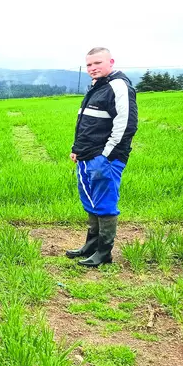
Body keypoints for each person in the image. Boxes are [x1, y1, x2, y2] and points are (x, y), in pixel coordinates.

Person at [67, 47, 138, 267]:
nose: (92, 68)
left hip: (104, 158)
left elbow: (126, 125)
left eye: (97, 63)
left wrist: (106, 156)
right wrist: (76, 149)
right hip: (86, 156)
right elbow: (87, 125)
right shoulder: (98, 86)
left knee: (105, 203)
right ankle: (91, 245)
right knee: (91, 200)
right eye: (89, 64)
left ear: (111, 62)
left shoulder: (118, 86)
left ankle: (104, 253)